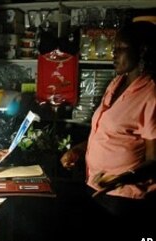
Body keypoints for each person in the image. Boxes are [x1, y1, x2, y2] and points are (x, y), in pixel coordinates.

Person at [60, 21, 156, 230]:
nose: (114, 53)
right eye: (114, 47)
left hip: (123, 199)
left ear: (142, 50)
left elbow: (154, 160)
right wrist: (77, 150)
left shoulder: (151, 94)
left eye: (121, 48)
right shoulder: (116, 83)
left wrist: (120, 179)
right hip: (95, 187)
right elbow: (105, 134)